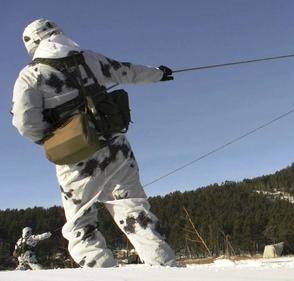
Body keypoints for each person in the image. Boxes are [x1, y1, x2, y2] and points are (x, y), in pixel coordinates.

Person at [11, 19, 177, 268]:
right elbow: (126, 71)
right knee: (134, 211)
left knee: (81, 223)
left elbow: (25, 122)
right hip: (117, 147)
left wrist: (53, 140)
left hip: (77, 155)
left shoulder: (31, 75)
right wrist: (159, 74)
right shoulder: (88, 58)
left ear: (31, 43)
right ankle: (165, 267)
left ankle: (101, 271)